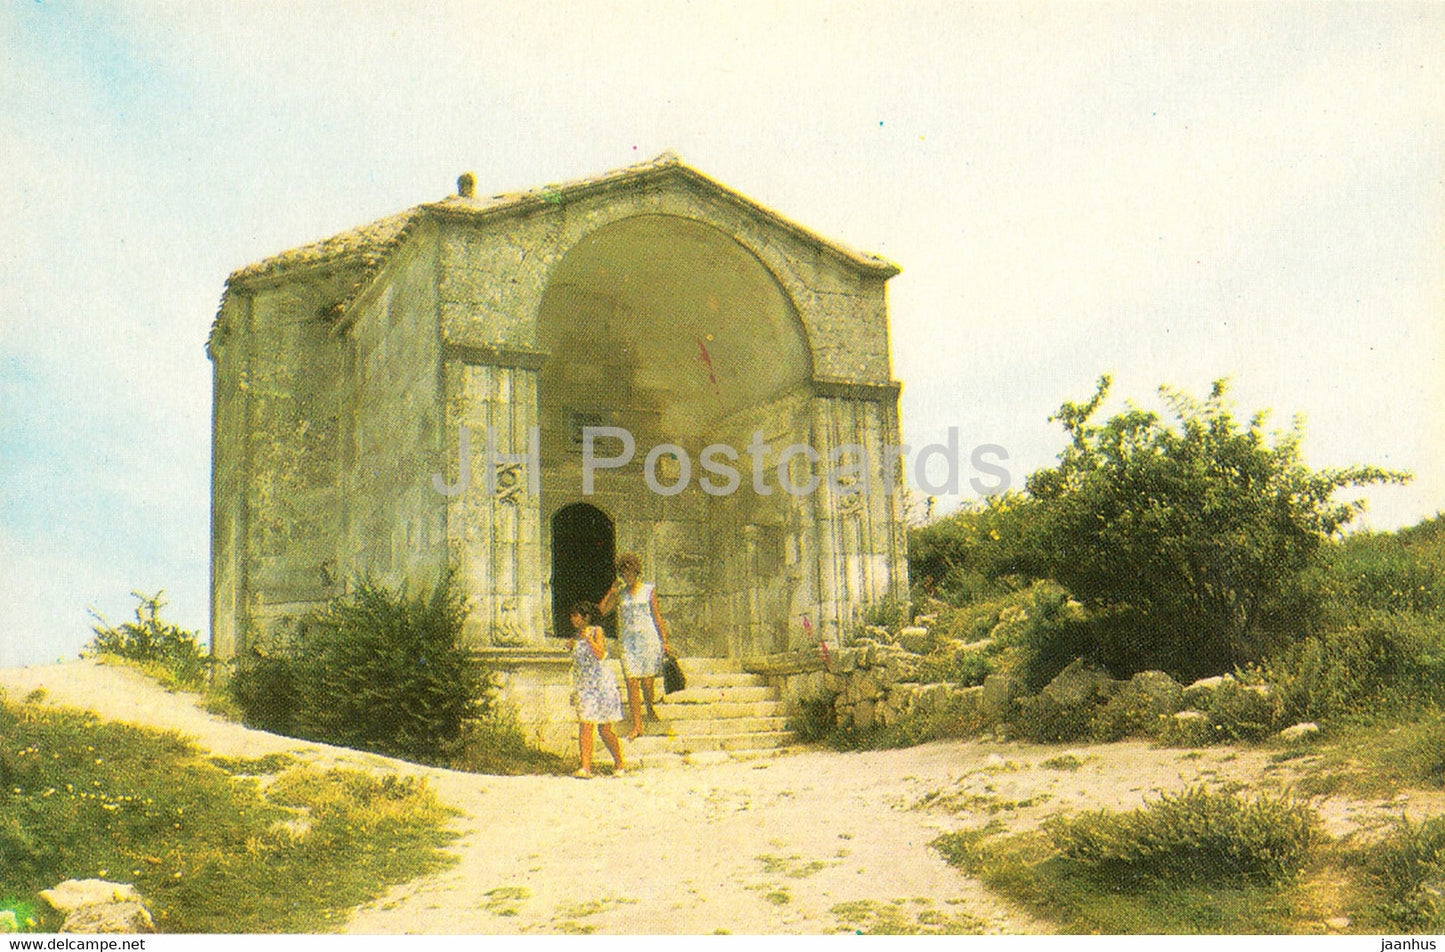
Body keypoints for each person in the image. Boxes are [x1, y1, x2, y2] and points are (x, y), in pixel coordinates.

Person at [599, 552, 672, 740]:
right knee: (632, 682)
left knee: (648, 683)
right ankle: (637, 725)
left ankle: (649, 707)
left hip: (648, 640)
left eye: (629, 572)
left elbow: (656, 616)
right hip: (628, 643)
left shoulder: (648, 589)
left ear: (636, 571)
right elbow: (601, 611)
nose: (626, 576)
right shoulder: (620, 594)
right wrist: (611, 592)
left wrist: (664, 641)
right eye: (623, 573)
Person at [567, 600, 626, 778]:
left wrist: (589, 640)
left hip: (601, 685)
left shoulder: (596, 631)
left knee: (605, 730)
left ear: (586, 617)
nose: (572, 619)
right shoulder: (576, 635)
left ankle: (620, 763)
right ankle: (586, 767)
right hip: (585, 686)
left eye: (575, 616)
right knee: (585, 723)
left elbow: (600, 654)